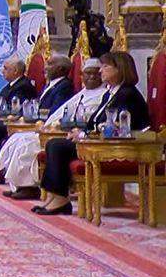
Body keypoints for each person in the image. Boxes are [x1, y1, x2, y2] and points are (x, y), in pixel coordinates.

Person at [35, 51, 151, 216]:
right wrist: (80, 132)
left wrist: (83, 136)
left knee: (58, 146)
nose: (100, 71)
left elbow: (115, 127)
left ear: (120, 69)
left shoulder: (127, 94)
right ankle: (54, 196)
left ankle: (60, 199)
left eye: (105, 66)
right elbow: (94, 122)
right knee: (54, 144)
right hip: (99, 142)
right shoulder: (110, 94)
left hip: (120, 147)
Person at [0, 59, 106, 201]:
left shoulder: (103, 94)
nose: (91, 77)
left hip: (70, 133)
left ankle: (30, 186)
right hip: (57, 129)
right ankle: (17, 184)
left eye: (95, 74)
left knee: (28, 144)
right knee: (18, 138)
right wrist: (49, 124)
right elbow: (61, 112)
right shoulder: (82, 93)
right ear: (82, 75)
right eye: (87, 73)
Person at [0, 55, 75, 185]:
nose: (45, 68)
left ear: (60, 69)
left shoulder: (64, 86)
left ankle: (3, 174)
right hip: (31, 121)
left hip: (43, 126)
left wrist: (26, 116)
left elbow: (53, 110)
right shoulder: (51, 85)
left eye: (49, 64)